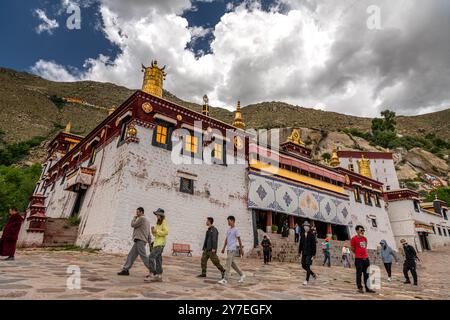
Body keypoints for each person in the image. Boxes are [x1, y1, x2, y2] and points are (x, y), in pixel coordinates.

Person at [118, 207, 150, 276]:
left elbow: (133, 225)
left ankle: (153, 270)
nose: (136, 213)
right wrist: (149, 241)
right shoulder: (147, 221)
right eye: (136, 212)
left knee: (143, 256)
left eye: (138, 212)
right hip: (140, 240)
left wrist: (134, 218)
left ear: (142, 212)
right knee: (131, 255)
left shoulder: (142, 218)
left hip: (140, 240)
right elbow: (148, 233)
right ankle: (125, 270)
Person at [218, 216, 245, 284]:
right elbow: (226, 239)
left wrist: (241, 249)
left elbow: (239, 239)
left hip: (232, 249)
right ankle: (242, 274)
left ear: (233, 221)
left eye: (229, 221)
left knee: (228, 264)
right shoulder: (229, 230)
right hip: (228, 249)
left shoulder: (236, 230)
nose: (228, 222)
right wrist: (224, 248)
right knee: (232, 263)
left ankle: (225, 279)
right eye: (228, 221)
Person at [350, 225, 376, 294]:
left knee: (366, 274)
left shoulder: (365, 239)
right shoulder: (354, 239)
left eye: (363, 230)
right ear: (357, 231)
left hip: (366, 258)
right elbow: (352, 248)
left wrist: (363, 254)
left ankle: (367, 288)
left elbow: (365, 247)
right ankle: (360, 287)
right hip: (358, 259)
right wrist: (358, 253)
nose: (362, 231)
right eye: (361, 230)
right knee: (359, 274)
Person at [146, 208, 169, 282]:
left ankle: (153, 274)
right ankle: (159, 276)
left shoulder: (164, 222)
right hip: (156, 243)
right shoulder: (158, 222)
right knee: (158, 260)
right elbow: (156, 235)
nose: (156, 216)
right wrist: (153, 231)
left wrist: (156, 230)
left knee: (151, 257)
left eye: (157, 214)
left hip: (160, 243)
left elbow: (166, 232)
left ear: (161, 215)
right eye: (156, 214)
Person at [298, 221, 317, 286]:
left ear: (309, 227)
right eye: (305, 226)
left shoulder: (312, 235)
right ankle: (312, 274)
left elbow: (314, 245)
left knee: (308, 265)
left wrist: (314, 254)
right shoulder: (302, 234)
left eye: (307, 226)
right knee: (303, 265)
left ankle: (306, 280)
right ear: (303, 227)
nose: (306, 227)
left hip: (310, 253)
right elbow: (300, 244)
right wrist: (299, 252)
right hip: (304, 252)